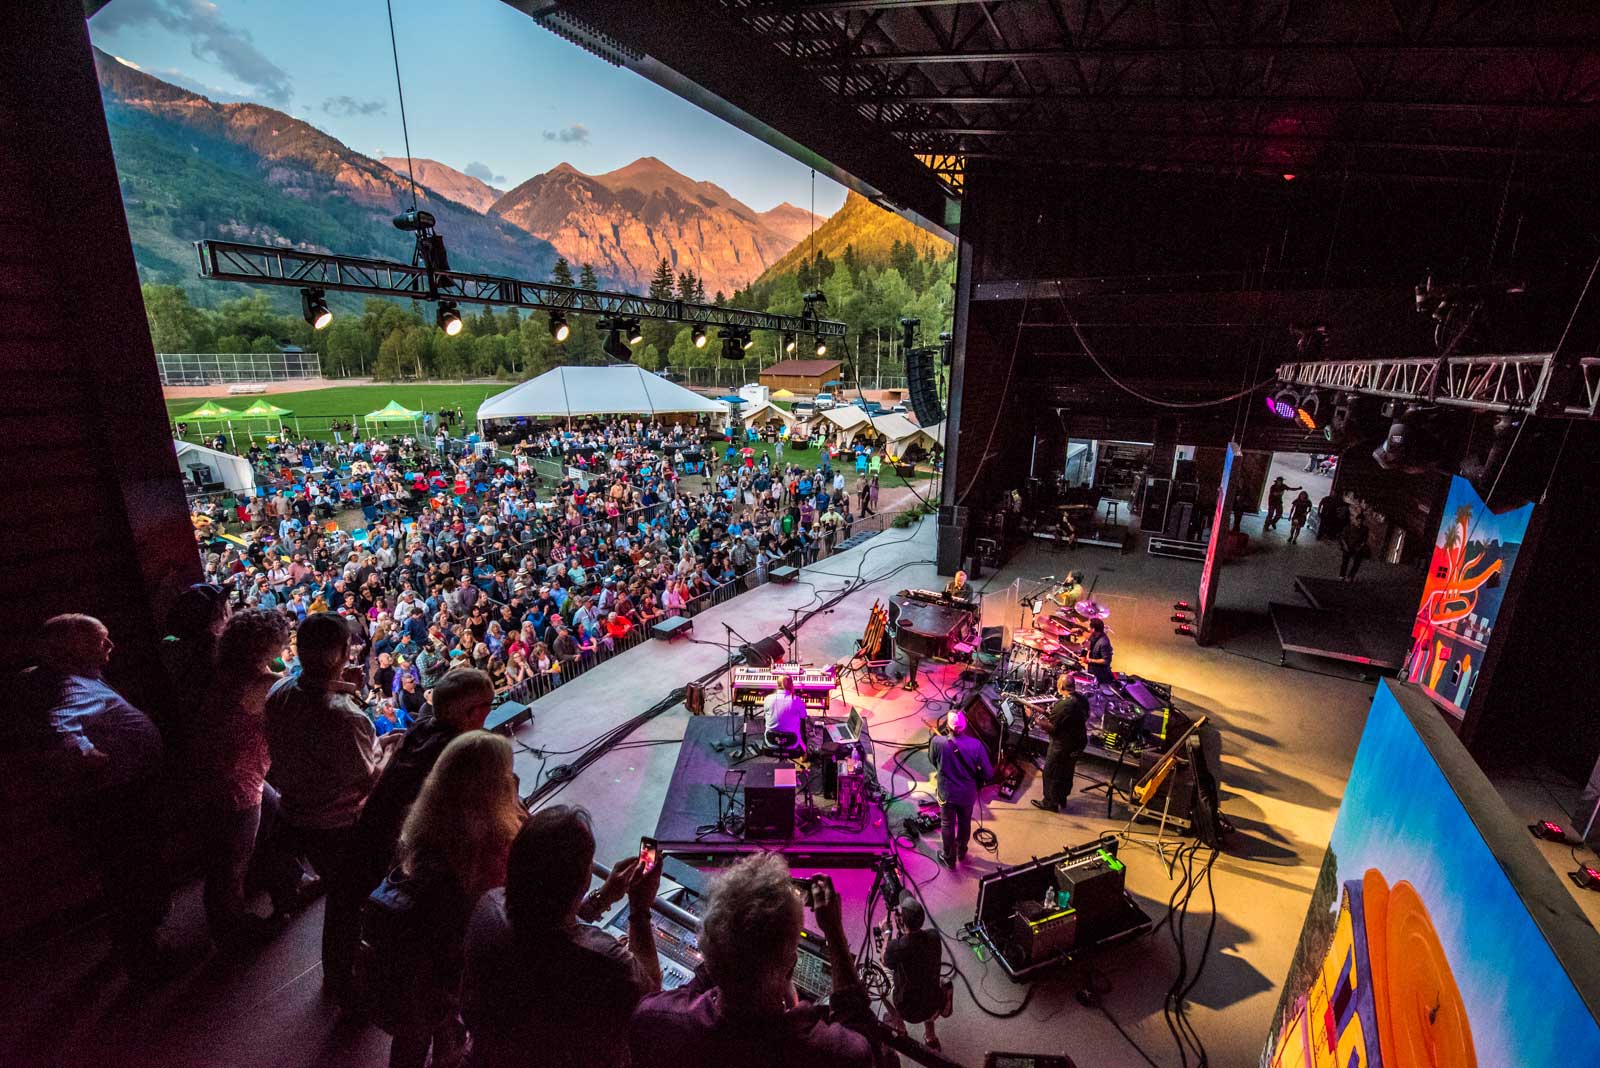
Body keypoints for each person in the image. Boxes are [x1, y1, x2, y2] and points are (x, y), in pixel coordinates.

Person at [26, 614, 180, 978]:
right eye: (100, 640)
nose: (110, 646)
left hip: (122, 791)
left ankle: (135, 943)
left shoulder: (82, 678)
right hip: (118, 797)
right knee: (133, 873)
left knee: (126, 874)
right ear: (73, 649)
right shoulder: (72, 686)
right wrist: (84, 751)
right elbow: (61, 721)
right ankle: (145, 959)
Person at [629, 854, 878, 1067]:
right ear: (791, 965)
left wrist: (725, 940)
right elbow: (865, 1041)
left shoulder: (654, 1019)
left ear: (708, 955)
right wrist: (834, 933)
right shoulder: (834, 1054)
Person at [462, 805, 661, 1068]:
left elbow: (542, 913)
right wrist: (639, 909)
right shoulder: (608, 963)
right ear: (583, 880)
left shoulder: (489, 906)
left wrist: (601, 900)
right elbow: (650, 997)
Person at [337, 669, 497, 994]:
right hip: (407, 860)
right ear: (471, 713)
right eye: (488, 706)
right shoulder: (456, 752)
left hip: (372, 845)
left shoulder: (421, 730)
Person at [382, 731, 526, 1068]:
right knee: (452, 1042)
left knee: (412, 1038)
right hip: (458, 967)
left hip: (417, 966)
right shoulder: (493, 842)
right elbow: (514, 901)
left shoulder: (423, 825)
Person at [264, 612, 385, 1005]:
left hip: (296, 812)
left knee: (340, 892)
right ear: (342, 653)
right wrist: (391, 753)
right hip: (339, 823)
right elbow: (368, 780)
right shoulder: (345, 718)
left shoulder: (279, 692)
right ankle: (343, 981)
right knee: (347, 901)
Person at [190, 608, 291, 944]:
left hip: (221, 768)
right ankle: (231, 930)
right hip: (238, 780)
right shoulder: (263, 683)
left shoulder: (225, 672)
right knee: (232, 862)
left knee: (277, 813)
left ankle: (290, 879)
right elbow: (304, 690)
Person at [928, 710, 993, 868]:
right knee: (964, 822)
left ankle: (949, 858)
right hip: (967, 794)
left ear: (948, 728)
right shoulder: (976, 745)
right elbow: (988, 773)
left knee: (947, 824)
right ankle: (962, 851)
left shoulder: (937, 742)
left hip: (947, 793)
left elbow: (932, 760)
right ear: (965, 726)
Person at [881, 894, 945, 1051]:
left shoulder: (896, 947)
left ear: (901, 921)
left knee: (879, 981)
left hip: (907, 1009)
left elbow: (885, 959)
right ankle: (930, 1037)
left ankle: (900, 1027)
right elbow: (915, 945)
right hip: (933, 1003)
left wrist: (887, 933)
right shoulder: (934, 935)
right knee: (928, 983)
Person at [1032, 674, 1089, 813]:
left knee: (1051, 773)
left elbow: (1052, 727)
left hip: (1063, 745)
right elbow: (1068, 718)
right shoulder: (1081, 699)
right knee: (1066, 771)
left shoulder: (1064, 704)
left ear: (1060, 686)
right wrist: (1043, 712)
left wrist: (1035, 719)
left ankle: (1050, 803)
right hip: (1078, 742)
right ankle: (1061, 798)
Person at [762, 674, 808, 750]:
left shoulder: (768, 698)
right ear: (792, 685)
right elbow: (804, 716)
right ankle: (804, 751)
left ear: (777, 685)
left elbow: (766, 715)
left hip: (771, 741)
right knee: (802, 722)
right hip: (792, 742)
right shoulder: (797, 700)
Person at [1339, 514, 1372, 581]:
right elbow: (1343, 537)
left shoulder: (1364, 529)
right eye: (1358, 520)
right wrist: (1345, 546)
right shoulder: (1349, 527)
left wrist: (1360, 547)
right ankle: (1342, 575)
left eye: (1361, 521)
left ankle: (1350, 576)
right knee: (1345, 561)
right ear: (1356, 520)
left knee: (1357, 563)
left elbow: (1364, 539)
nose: (1359, 522)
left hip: (1357, 548)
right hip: (1348, 546)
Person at [1085, 617, 1114, 686]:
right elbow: (1090, 645)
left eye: (1089, 627)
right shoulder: (1094, 635)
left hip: (1100, 674)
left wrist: (1091, 660)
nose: (1088, 629)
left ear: (1094, 629)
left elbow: (1106, 660)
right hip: (1092, 669)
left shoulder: (1104, 642)